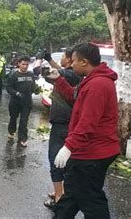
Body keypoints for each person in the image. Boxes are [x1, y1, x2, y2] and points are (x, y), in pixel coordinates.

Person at [46, 43, 120, 218]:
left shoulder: (98, 85)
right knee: (72, 196)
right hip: (88, 150)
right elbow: (75, 98)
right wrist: (58, 79)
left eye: (74, 61)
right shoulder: (91, 80)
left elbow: (88, 123)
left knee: (90, 199)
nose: (71, 65)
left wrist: (68, 147)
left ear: (85, 61)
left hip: (92, 153)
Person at [39, 49, 81, 209]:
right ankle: (60, 191)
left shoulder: (71, 75)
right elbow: (56, 76)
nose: (61, 59)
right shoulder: (69, 76)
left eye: (63, 56)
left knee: (55, 160)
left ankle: (59, 198)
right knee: (63, 161)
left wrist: (47, 64)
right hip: (64, 122)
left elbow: (59, 73)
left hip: (63, 124)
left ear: (70, 59)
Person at [6, 56, 36, 147]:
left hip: (26, 102)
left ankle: (22, 138)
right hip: (15, 102)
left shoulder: (31, 74)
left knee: (24, 121)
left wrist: (34, 91)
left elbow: (33, 86)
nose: (25, 66)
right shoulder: (13, 75)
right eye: (23, 64)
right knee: (13, 118)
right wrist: (16, 93)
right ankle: (11, 132)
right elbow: (8, 88)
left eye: (27, 64)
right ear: (19, 64)